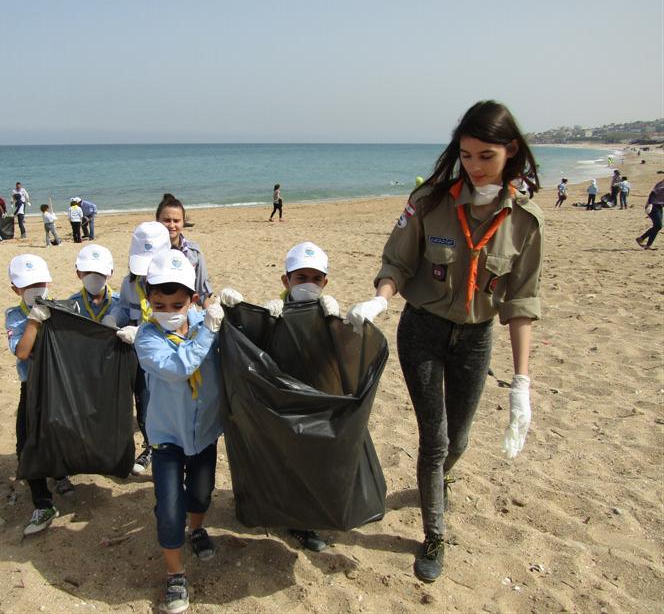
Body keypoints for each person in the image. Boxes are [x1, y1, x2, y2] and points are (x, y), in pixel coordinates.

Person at [346, 100, 542, 583]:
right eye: (466, 155)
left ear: (510, 151)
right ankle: (434, 535)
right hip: (423, 331)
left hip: (477, 339)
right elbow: (397, 262)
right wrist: (382, 299)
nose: (474, 167)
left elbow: (521, 304)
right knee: (433, 439)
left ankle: (439, 477)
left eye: (486, 156)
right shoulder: (429, 201)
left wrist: (521, 382)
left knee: (460, 438)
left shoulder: (525, 222)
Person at [219, 241, 341, 553]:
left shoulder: (327, 312)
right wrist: (242, 311)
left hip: (315, 397)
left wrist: (337, 323)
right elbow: (252, 346)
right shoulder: (277, 310)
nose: (309, 284)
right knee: (281, 458)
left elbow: (339, 357)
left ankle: (304, 520)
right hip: (283, 401)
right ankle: (285, 515)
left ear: (325, 282)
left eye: (316, 278)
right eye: (301, 278)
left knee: (310, 459)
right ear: (286, 281)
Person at [131, 249, 225, 614]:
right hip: (166, 437)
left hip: (204, 433)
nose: (169, 311)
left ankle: (197, 529)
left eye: (177, 303)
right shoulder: (147, 337)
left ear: (193, 299)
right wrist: (209, 332)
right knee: (169, 508)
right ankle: (175, 575)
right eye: (160, 304)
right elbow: (179, 368)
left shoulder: (207, 321)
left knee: (200, 496)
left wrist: (234, 310)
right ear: (149, 301)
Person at [5, 254, 73, 535]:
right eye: (27, 285)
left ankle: (61, 473)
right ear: (15, 289)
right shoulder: (14, 315)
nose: (35, 289)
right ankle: (43, 502)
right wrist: (33, 321)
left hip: (57, 386)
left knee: (60, 432)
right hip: (31, 388)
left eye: (39, 283)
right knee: (27, 444)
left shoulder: (61, 309)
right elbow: (22, 352)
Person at [115, 221, 173, 475]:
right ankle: (151, 446)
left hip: (167, 355)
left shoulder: (176, 283)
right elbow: (125, 308)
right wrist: (114, 318)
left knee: (170, 405)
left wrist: (143, 333)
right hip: (139, 357)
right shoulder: (130, 284)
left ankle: (172, 452)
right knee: (145, 401)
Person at [156, 193, 213, 302]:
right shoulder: (147, 252)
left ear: (183, 223)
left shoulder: (194, 252)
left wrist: (210, 313)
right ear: (157, 221)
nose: (172, 225)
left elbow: (202, 291)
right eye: (167, 220)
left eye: (176, 221)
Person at [67, 244, 121, 327]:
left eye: (99, 272)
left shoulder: (121, 304)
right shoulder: (71, 306)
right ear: (78, 273)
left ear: (110, 273)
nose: (93, 277)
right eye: (87, 272)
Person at [636, 179, 664, 249]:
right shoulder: (662, 184)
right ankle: (642, 239)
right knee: (658, 226)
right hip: (653, 206)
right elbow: (653, 193)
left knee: (657, 227)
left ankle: (645, 242)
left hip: (659, 207)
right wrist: (650, 203)